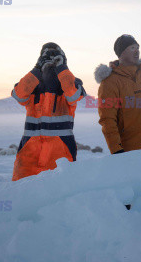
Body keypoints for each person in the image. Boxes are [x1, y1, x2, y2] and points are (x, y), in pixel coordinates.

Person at [11, 42, 85, 181]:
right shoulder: (33, 85)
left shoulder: (71, 82)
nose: (51, 59)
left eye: (55, 55)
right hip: (29, 154)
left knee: (58, 196)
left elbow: (73, 95)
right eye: (47, 55)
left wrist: (62, 67)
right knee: (21, 194)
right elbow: (18, 95)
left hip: (59, 154)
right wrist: (37, 68)